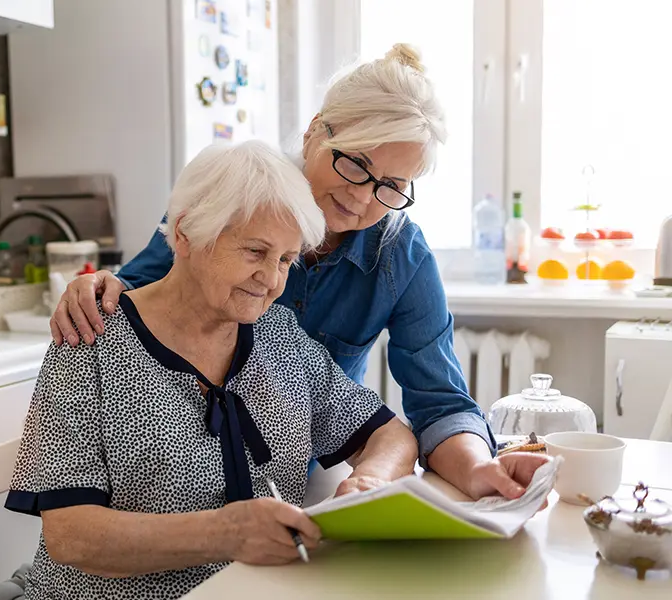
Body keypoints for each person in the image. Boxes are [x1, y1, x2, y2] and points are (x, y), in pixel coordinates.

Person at [48, 43, 551, 500]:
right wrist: (96, 286)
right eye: (355, 164)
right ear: (315, 130)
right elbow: (141, 294)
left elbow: (439, 403)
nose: (360, 196)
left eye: (390, 185)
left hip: (304, 476)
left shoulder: (402, 257)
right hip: (183, 480)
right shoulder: (232, 198)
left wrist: (478, 467)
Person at [6, 141, 418, 599]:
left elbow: (391, 435)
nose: (272, 280)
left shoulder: (278, 335)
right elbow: (71, 535)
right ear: (184, 234)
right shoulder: (91, 339)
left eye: (285, 260)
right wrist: (224, 533)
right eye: (255, 251)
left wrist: (371, 480)